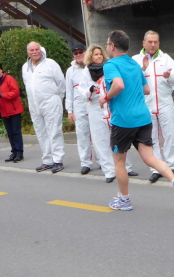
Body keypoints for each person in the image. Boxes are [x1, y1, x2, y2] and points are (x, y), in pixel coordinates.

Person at [99, 30, 174, 211]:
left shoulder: (111, 65)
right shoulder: (135, 65)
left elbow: (118, 84)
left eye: (107, 45)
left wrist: (105, 98)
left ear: (112, 46)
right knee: (150, 157)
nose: (107, 48)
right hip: (143, 117)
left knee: (119, 162)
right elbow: (147, 90)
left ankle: (124, 200)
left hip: (123, 120)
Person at [79, 45, 136, 183]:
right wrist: (90, 90)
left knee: (119, 137)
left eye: (100, 54)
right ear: (90, 57)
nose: (99, 56)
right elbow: (81, 92)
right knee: (101, 140)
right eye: (95, 54)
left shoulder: (109, 67)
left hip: (111, 105)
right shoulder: (86, 72)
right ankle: (109, 171)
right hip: (95, 107)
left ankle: (126, 167)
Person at [132, 31, 174, 183]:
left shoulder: (166, 59)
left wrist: (169, 76)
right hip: (146, 106)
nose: (152, 45)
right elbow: (131, 81)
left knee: (169, 136)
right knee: (151, 139)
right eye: (150, 42)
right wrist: (143, 68)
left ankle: (172, 166)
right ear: (143, 43)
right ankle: (156, 169)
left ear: (159, 44)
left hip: (165, 103)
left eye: (155, 42)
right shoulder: (136, 60)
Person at [23, 41, 66, 173]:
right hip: (34, 105)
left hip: (51, 103)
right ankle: (47, 160)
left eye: (37, 49)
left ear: (41, 50)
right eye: (32, 50)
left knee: (54, 132)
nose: (35, 52)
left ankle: (57, 160)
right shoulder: (25, 67)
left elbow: (61, 83)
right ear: (28, 53)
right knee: (41, 133)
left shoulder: (50, 64)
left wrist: (58, 98)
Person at [0, 61, 24, 162]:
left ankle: (19, 153)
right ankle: (14, 152)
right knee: (10, 133)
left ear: (1, 69)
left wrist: (2, 95)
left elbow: (15, 92)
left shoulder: (9, 79)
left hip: (14, 110)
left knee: (16, 132)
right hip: (3, 111)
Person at [65, 46, 93, 174]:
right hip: (79, 106)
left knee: (98, 134)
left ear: (86, 52)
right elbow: (69, 91)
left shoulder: (92, 66)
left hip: (93, 103)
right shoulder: (70, 71)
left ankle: (103, 161)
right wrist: (69, 111)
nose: (78, 55)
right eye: (75, 53)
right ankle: (85, 162)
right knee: (82, 134)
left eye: (80, 52)